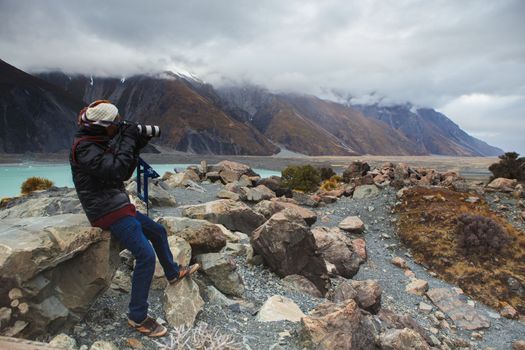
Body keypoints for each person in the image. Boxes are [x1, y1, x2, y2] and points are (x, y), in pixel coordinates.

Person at [70, 100, 199, 337]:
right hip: (105, 210)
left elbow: (124, 170)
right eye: (115, 123)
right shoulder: (84, 148)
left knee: (158, 232)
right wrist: (128, 139)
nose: (119, 125)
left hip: (116, 204)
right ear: (102, 125)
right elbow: (117, 171)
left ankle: (172, 272)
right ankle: (137, 317)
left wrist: (136, 143)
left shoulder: (97, 141)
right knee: (145, 256)